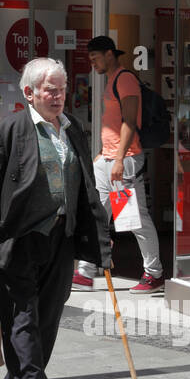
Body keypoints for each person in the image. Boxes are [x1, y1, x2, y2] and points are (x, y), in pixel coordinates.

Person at [0, 57, 111, 379]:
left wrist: (99, 238)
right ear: (29, 93)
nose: (58, 95)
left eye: (61, 88)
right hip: (18, 241)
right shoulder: (8, 131)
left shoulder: (73, 128)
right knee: (23, 322)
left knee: (46, 321)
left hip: (61, 239)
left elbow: (87, 189)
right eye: (50, 89)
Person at [74, 35, 164, 294]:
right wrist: (103, 154)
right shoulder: (111, 81)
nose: (92, 63)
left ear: (110, 54)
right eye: (90, 59)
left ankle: (154, 274)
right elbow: (114, 125)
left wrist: (120, 159)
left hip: (122, 162)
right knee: (96, 214)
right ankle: (85, 272)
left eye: (95, 58)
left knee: (133, 220)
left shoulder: (125, 79)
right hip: (109, 159)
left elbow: (129, 121)